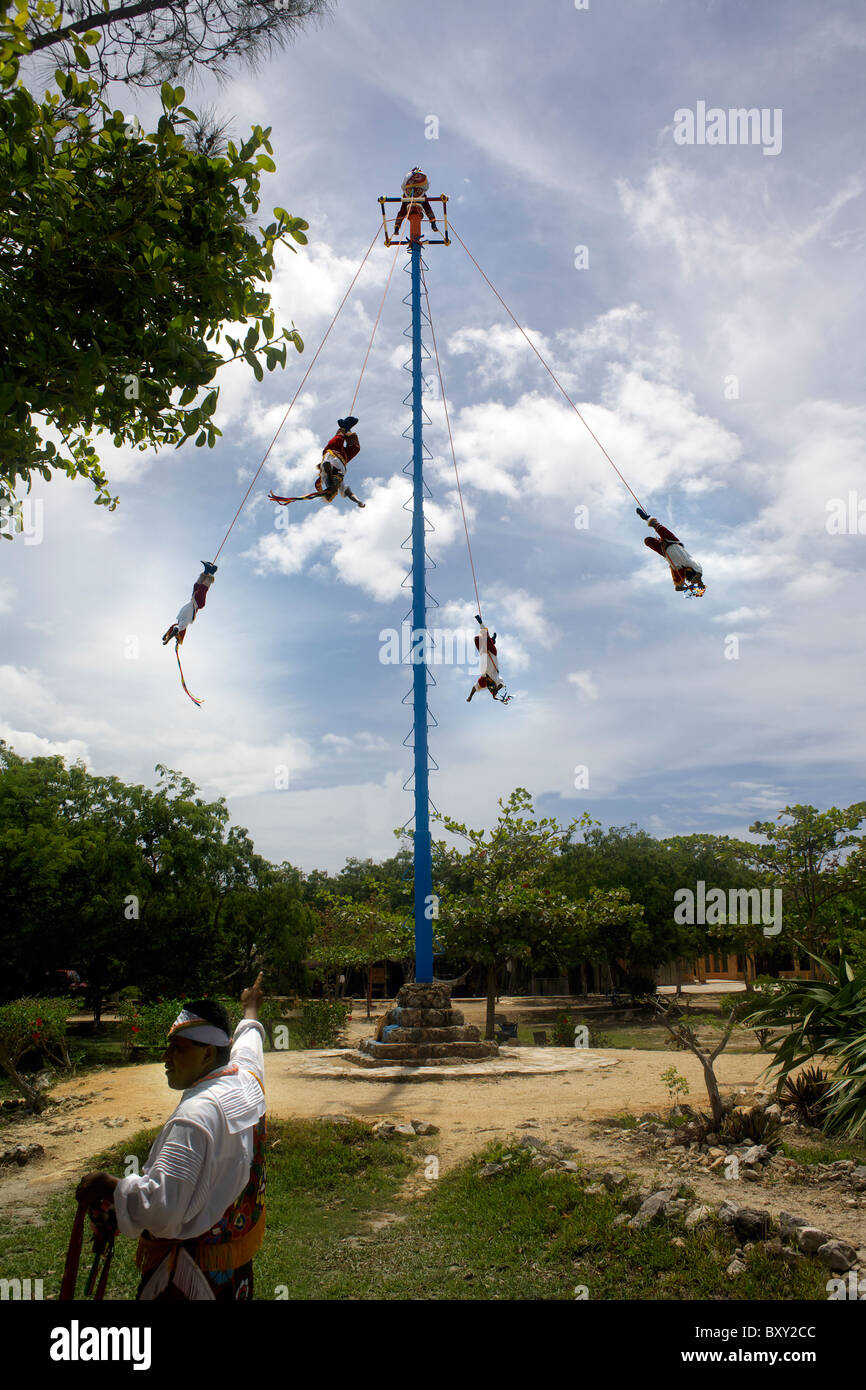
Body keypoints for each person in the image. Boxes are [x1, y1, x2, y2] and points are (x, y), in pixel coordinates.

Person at [74, 974, 267, 1301]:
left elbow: (162, 1212)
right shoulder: (246, 1081)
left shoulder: (194, 1118)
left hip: (188, 1280)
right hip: (235, 1277)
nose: (165, 1058)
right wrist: (251, 1009)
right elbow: (249, 1044)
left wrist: (109, 1185)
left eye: (177, 1048)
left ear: (208, 1055)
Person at [268, 417, 365, 508]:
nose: (334, 491)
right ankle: (348, 431)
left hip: (333, 451)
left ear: (328, 490)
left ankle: (344, 427)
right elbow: (349, 493)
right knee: (356, 449)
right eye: (334, 493)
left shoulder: (325, 477)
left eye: (330, 492)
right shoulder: (340, 484)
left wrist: (330, 481)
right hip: (344, 458)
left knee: (338, 439)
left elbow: (326, 464)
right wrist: (358, 501)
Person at [636, 507, 705, 592]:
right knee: (658, 527)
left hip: (664, 550)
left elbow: (677, 587)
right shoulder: (692, 565)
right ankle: (647, 517)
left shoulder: (678, 571)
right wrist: (699, 582)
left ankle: (655, 534)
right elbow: (698, 573)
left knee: (647, 541)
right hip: (673, 542)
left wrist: (688, 588)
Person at [162, 561, 217, 646]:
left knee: (196, 587)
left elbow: (173, 628)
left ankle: (206, 571)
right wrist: (167, 640)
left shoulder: (179, 621)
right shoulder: (184, 624)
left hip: (193, 600)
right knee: (202, 589)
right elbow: (176, 629)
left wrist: (166, 636)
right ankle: (212, 572)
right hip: (198, 603)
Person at [467, 617, 511, 703]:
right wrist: (495, 692)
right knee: (486, 638)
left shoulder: (483, 680)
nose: (488, 680)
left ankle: (491, 640)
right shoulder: (496, 677)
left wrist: (470, 696)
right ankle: (482, 624)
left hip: (484, 653)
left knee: (477, 639)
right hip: (492, 654)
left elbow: (474, 688)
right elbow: (501, 684)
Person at [392, 168, 439, 237]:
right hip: (411, 208)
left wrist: (433, 222)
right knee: (403, 211)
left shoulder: (417, 194)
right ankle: (396, 227)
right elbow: (402, 212)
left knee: (426, 207)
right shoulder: (407, 195)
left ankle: (433, 223)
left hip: (417, 208)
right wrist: (397, 227)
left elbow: (428, 208)